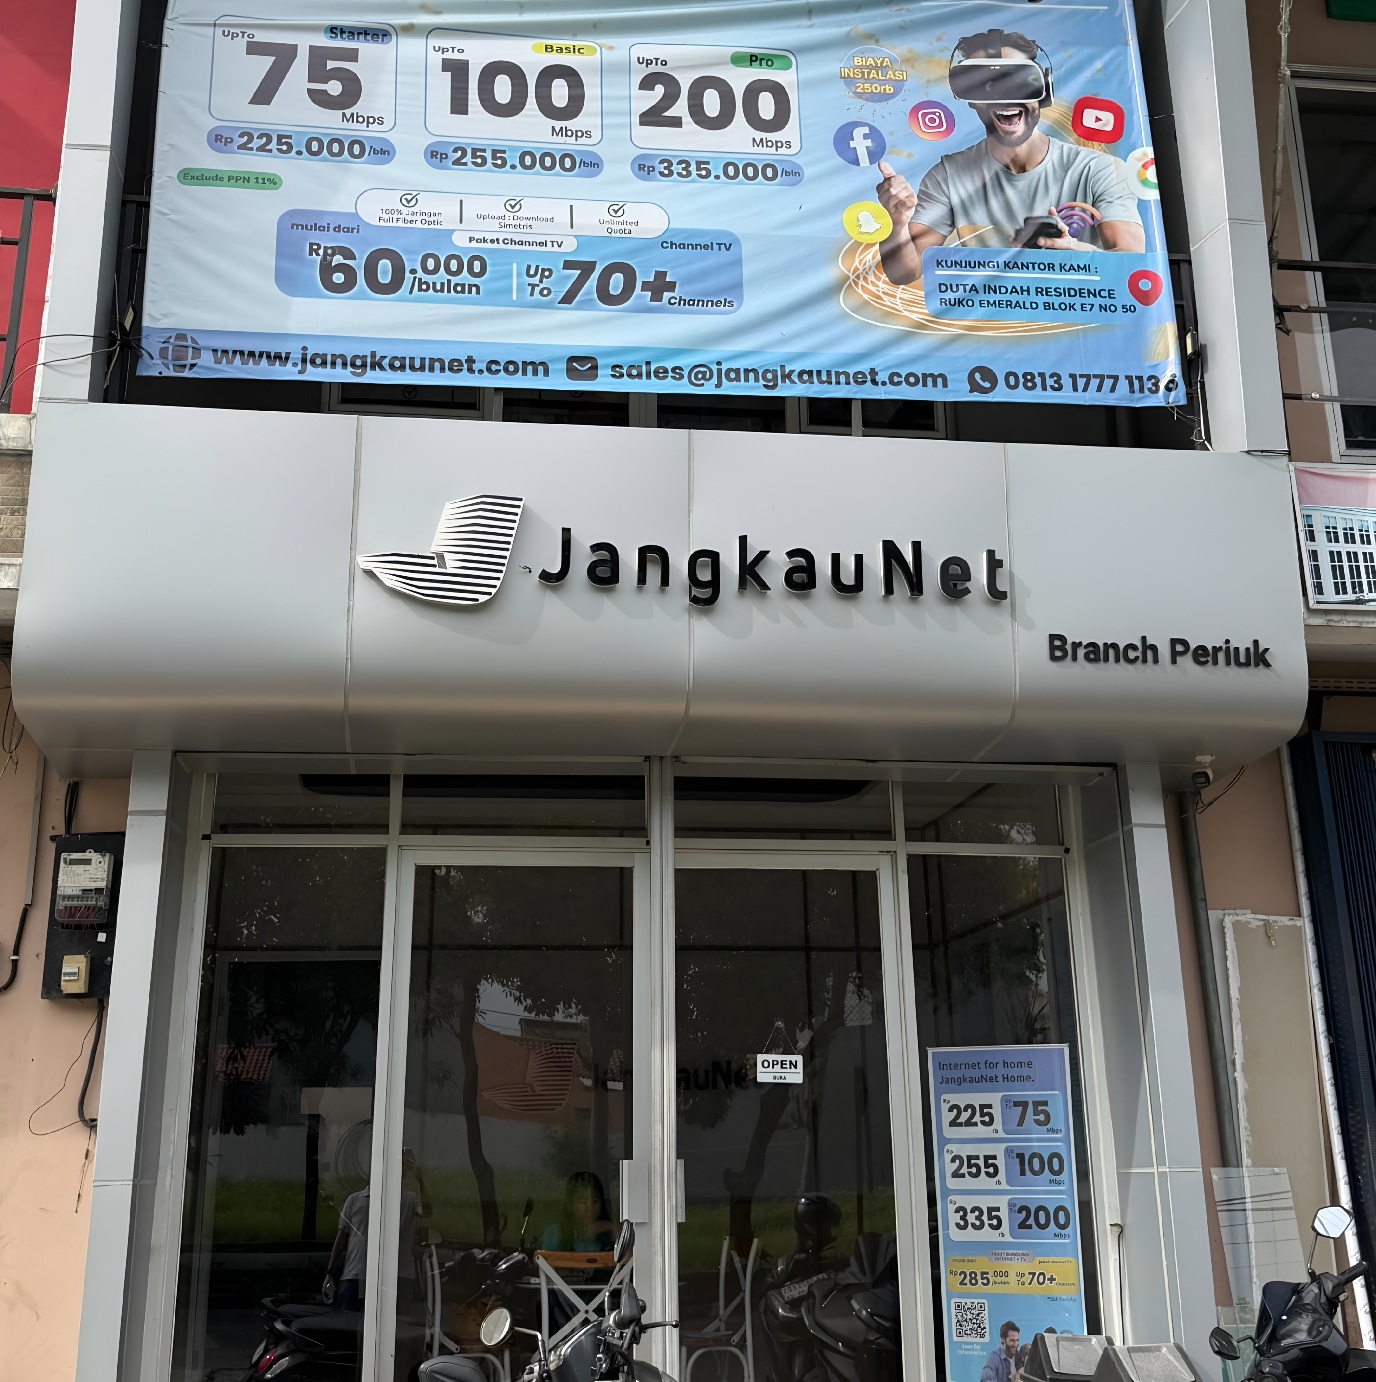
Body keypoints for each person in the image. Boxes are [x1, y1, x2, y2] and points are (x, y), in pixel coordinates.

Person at [874, 29, 1144, 285]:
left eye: (1017, 82)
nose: (1003, 97)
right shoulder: (947, 175)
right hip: (991, 313)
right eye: (984, 85)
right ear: (971, 98)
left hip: (1076, 313)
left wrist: (1074, 250)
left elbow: (1131, 262)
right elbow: (904, 273)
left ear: (1044, 91)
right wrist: (897, 224)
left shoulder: (1100, 169)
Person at [540, 1170, 615, 1253]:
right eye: (583, 1201)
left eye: (595, 1201)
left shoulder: (608, 1235)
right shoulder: (555, 1234)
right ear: (570, 1204)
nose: (590, 1208)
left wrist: (613, 1228)